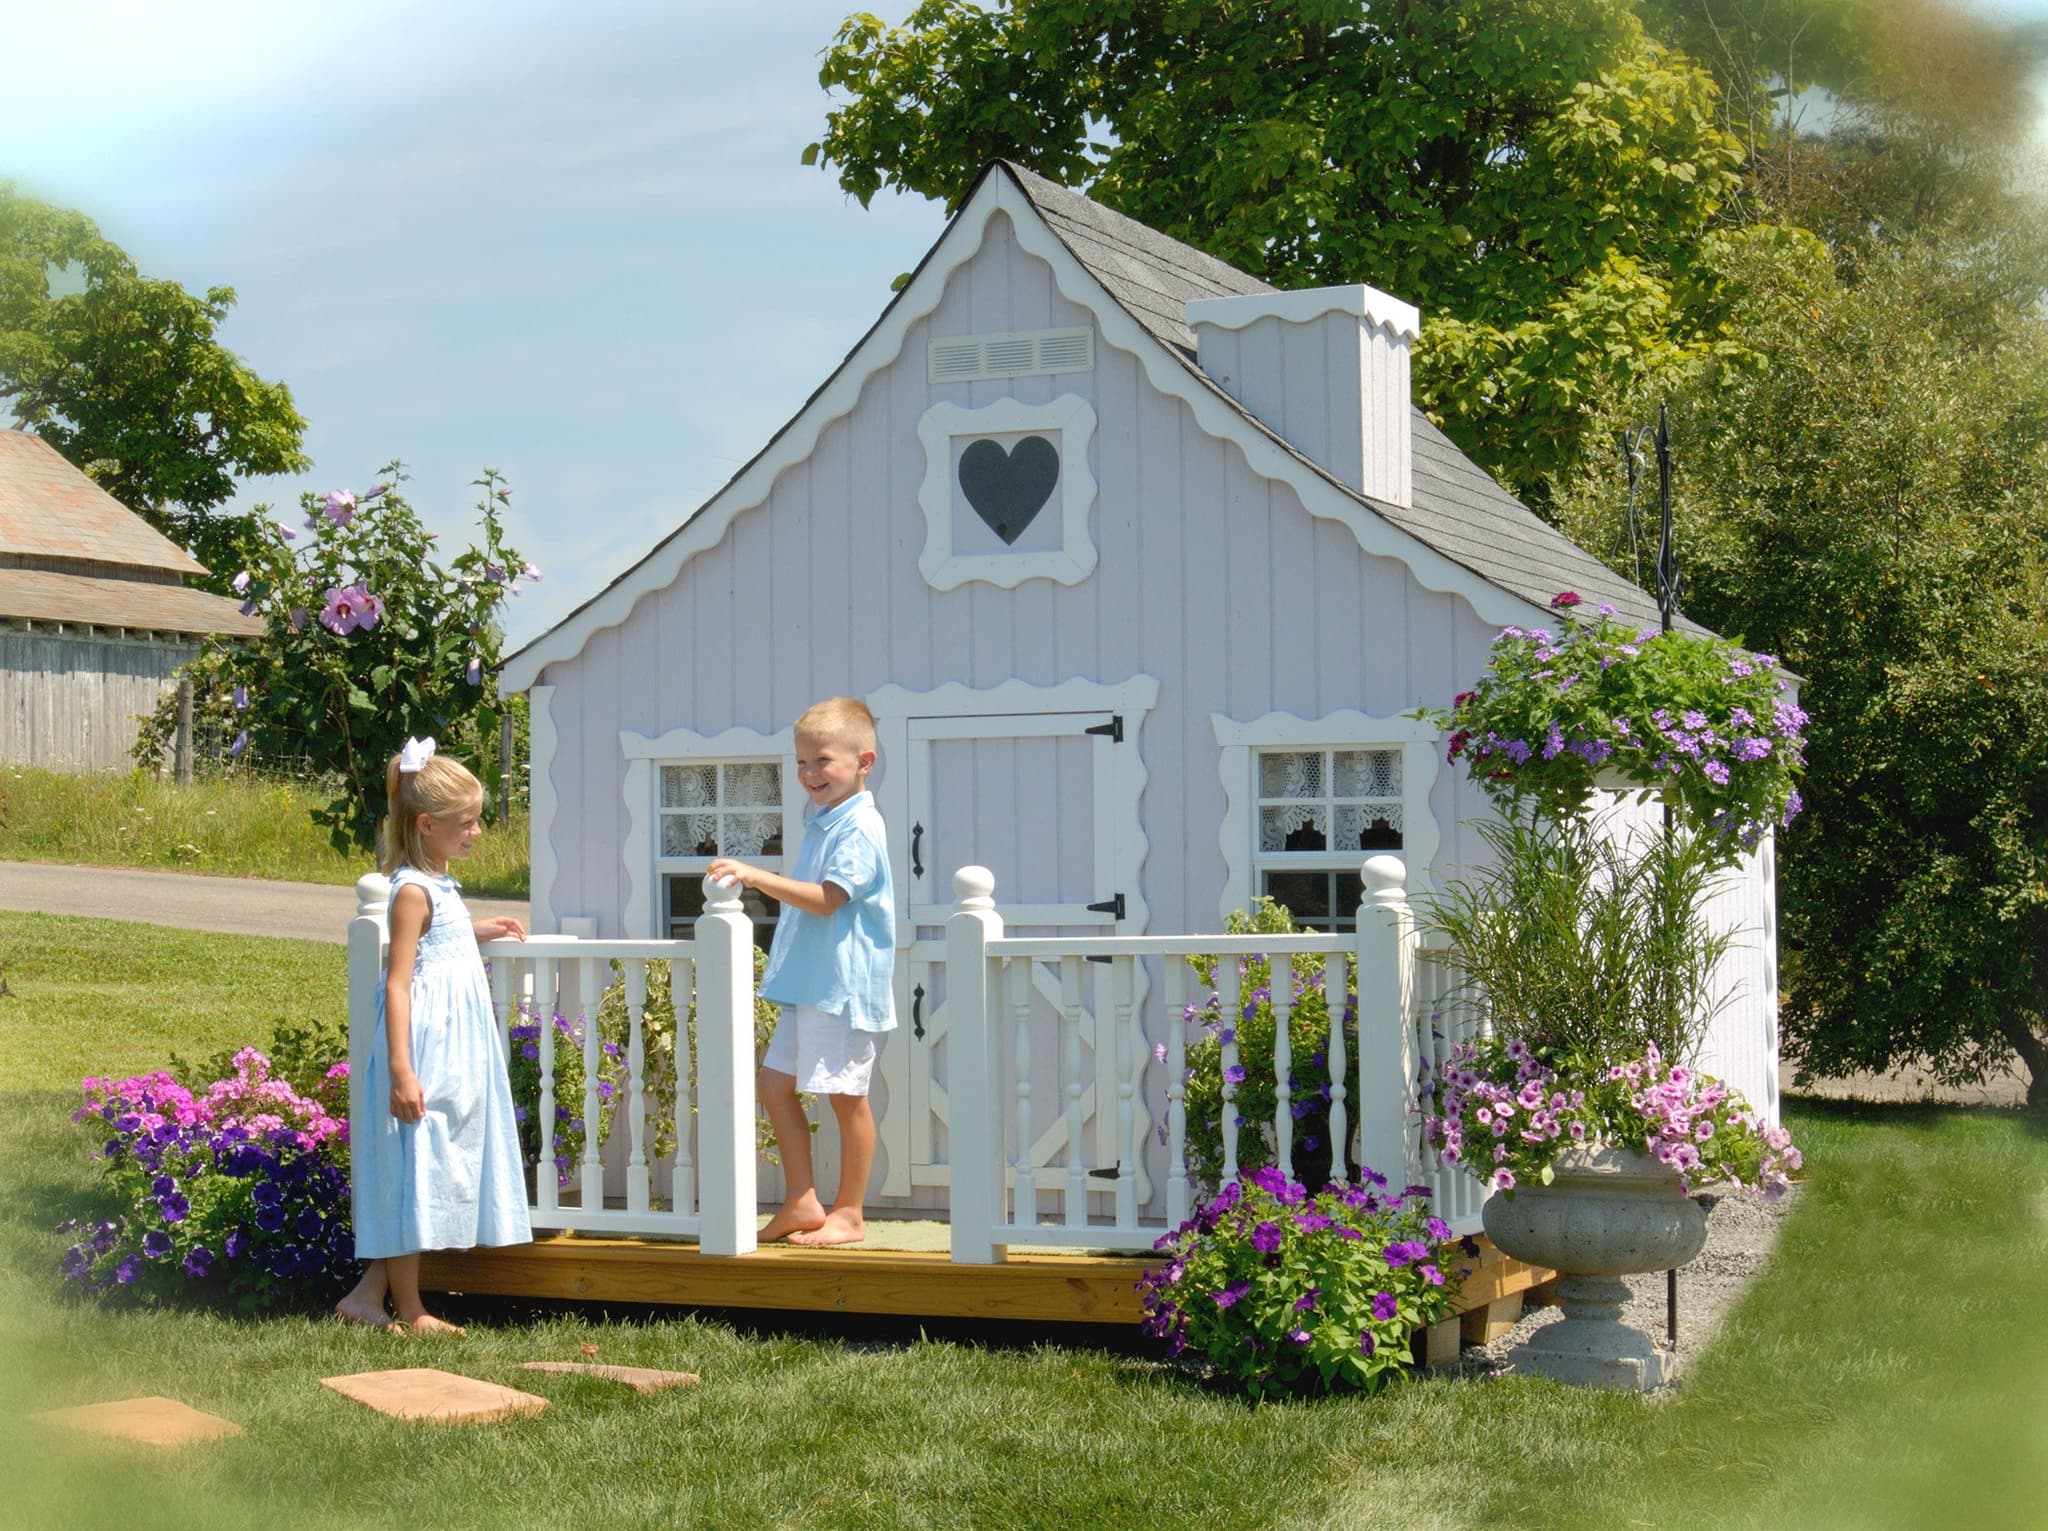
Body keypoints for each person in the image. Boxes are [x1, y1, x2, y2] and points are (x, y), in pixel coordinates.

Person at [336, 737, 531, 1332]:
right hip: (423, 1045)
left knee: (428, 1163)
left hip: (452, 1045)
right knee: (417, 1165)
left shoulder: (438, 885)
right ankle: (413, 1309)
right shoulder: (411, 889)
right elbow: (399, 982)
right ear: (427, 825)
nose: (476, 832)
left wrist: (477, 929)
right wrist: (401, 1068)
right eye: (466, 823)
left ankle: (365, 1299)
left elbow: (437, 938)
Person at [710, 697, 895, 1246]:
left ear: (864, 762)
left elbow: (826, 900)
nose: (810, 774)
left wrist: (755, 876)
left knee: (845, 1097)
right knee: (775, 1086)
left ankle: (851, 1213)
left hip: (840, 986)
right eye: (801, 763)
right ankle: (802, 1201)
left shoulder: (859, 826)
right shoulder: (821, 816)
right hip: (809, 981)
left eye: (823, 762)